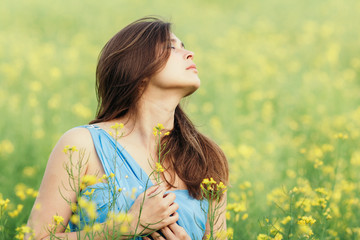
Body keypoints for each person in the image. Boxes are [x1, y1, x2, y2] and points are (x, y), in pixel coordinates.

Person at [27, 17, 229, 240]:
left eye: (183, 46)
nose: (190, 53)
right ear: (137, 68)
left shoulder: (206, 159)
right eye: (171, 47)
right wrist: (125, 227)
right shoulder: (82, 145)